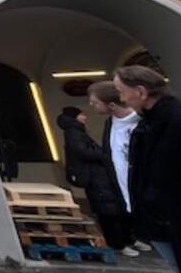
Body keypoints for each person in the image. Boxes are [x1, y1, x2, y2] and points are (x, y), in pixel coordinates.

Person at [114, 65, 181, 273]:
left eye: (122, 92)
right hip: (159, 222)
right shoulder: (147, 125)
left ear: (141, 92)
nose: (122, 99)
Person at [56, 106, 136, 256]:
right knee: (108, 209)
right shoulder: (74, 132)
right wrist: (104, 154)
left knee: (110, 208)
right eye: (82, 114)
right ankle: (118, 243)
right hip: (94, 175)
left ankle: (124, 240)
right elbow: (81, 151)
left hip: (94, 175)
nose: (85, 116)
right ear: (76, 117)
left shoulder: (76, 131)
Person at [88, 81, 153, 255]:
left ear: (111, 104)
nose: (91, 106)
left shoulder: (142, 122)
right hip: (118, 182)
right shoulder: (109, 124)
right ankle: (128, 239)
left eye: (95, 102)